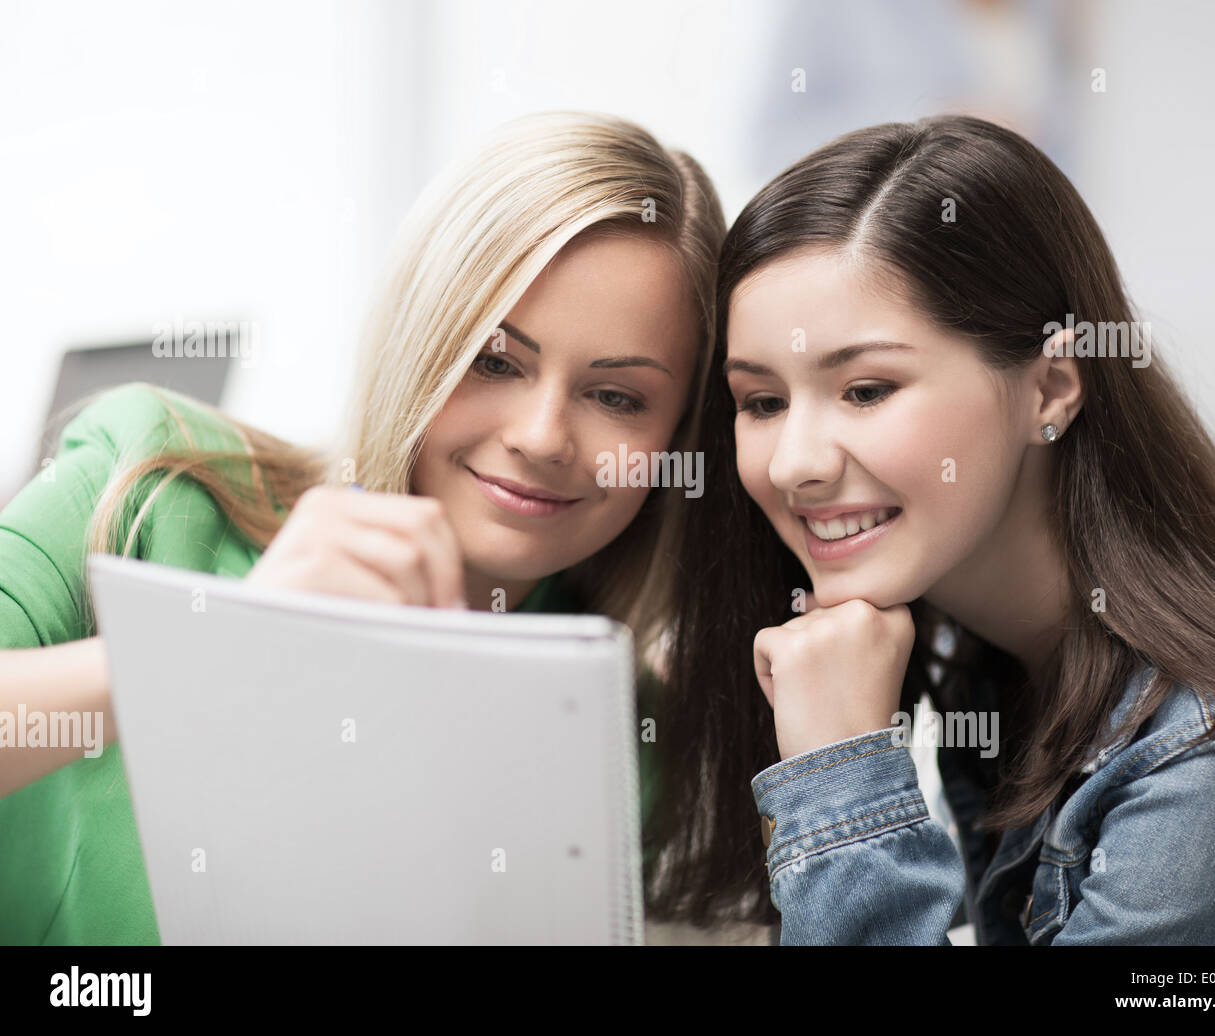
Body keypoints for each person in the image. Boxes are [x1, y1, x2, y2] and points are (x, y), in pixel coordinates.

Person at [0, 110, 725, 944]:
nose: (541, 435)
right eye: (494, 361)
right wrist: (210, 648)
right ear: (421, 342)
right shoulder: (148, 481)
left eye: (616, 396)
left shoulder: (626, 739)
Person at [647, 114, 1215, 944]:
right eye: (763, 402)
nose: (793, 465)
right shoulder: (988, 668)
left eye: (866, 389)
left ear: (1051, 389)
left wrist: (838, 773)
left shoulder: (1212, 755)